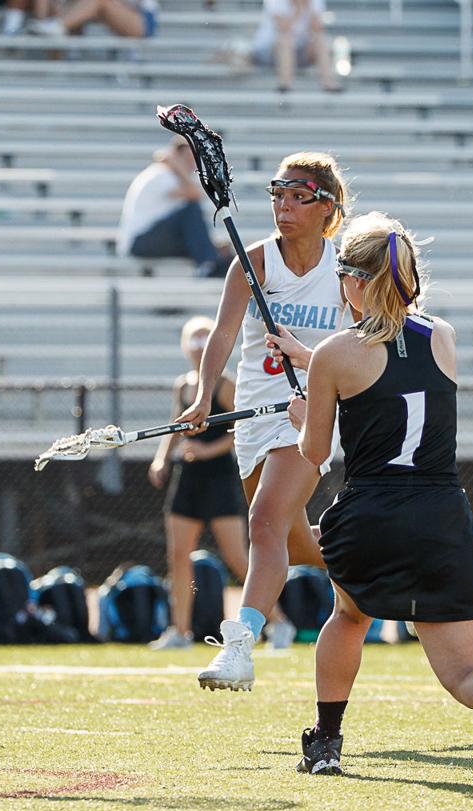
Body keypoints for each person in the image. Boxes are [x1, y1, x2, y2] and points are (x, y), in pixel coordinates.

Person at [281, 211, 473, 775]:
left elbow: (315, 451)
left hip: (372, 511)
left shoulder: (335, 353)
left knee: (349, 616)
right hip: (442, 515)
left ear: (355, 280)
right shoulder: (441, 337)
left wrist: (304, 413)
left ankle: (326, 743)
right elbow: (395, 369)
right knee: (463, 673)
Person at [178, 152, 349, 691]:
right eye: (279, 196)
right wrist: (204, 396)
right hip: (253, 418)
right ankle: (384, 567)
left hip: (309, 416)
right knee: (293, 546)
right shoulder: (251, 263)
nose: (285, 207)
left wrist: (319, 385)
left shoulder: (344, 272)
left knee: (264, 522)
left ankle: (239, 648)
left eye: (299, 198)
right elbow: (223, 335)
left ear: (328, 208)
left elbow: (365, 347)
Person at [148, 317, 248, 649]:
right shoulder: (183, 385)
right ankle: (180, 631)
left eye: (205, 338)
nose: (199, 345)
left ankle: (276, 621)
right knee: (179, 555)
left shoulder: (226, 384)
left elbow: (240, 429)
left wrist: (208, 450)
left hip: (219, 476)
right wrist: (162, 459)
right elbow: (175, 427)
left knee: (236, 556)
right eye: (194, 339)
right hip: (188, 478)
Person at [118, 138, 226, 278]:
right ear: (176, 157)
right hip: (140, 241)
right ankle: (207, 265)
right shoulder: (160, 174)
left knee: (223, 254)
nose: (192, 163)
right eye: (187, 158)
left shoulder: (177, 178)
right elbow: (195, 195)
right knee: (191, 210)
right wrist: (178, 167)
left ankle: (211, 266)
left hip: (157, 238)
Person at [251, 0, 342, 93]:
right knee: (286, 39)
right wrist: (298, 9)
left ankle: (328, 82)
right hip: (270, 51)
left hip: (300, 52)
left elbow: (317, 29)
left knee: (320, 39)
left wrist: (309, 8)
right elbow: (284, 28)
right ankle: (285, 84)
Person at [28, 0, 158, 38]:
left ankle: (57, 26)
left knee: (100, 1)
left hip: (142, 21)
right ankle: (50, 25)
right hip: (117, 15)